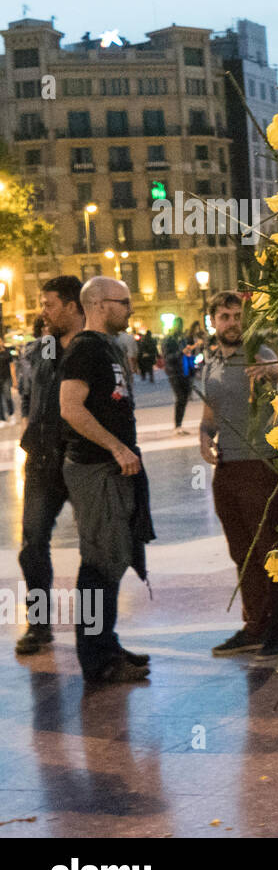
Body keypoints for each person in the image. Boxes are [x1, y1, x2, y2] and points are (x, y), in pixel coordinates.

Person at [58, 276, 155, 684]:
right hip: (95, 470)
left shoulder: (106, 348)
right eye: (123, 301)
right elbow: (70, 407)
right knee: (99, 563)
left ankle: (106, 644)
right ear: (98, 304)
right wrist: (115, 447)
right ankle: (97, 659)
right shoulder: (84, 350)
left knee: (111, 559)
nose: (130, 308)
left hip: (112, 470)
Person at [199, 292, 278, 658]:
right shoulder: (210, 367)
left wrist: (271, 372)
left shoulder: (259, 352)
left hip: (263, 462)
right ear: (213, 322)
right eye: (225, 316)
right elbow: (209, 416)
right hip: (228, 466)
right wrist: (203, 438)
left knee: (268, 545)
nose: (233, 322)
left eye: (238, 315)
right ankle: (256, 625)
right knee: (241, 549)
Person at [14, 278, 84, 656]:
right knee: (32, 543)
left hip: (81, 457)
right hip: (41, 461)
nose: (42, 311)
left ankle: (96, 633)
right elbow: (28, 397)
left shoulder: (91, 349)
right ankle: (39, 625)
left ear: (72, 305)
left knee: (96, 545)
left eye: (49, 304)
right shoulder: (34, 351)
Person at [160, 319, 192, 434]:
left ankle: (179, 425)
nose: (180, 328)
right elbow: (167, 357)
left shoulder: (182, 339)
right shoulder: (169, 340)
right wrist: (181, 352)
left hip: (185, 371)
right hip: (174, 372)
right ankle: (177, 426)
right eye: (178, 325)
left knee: (184, 398)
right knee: (181, 398)